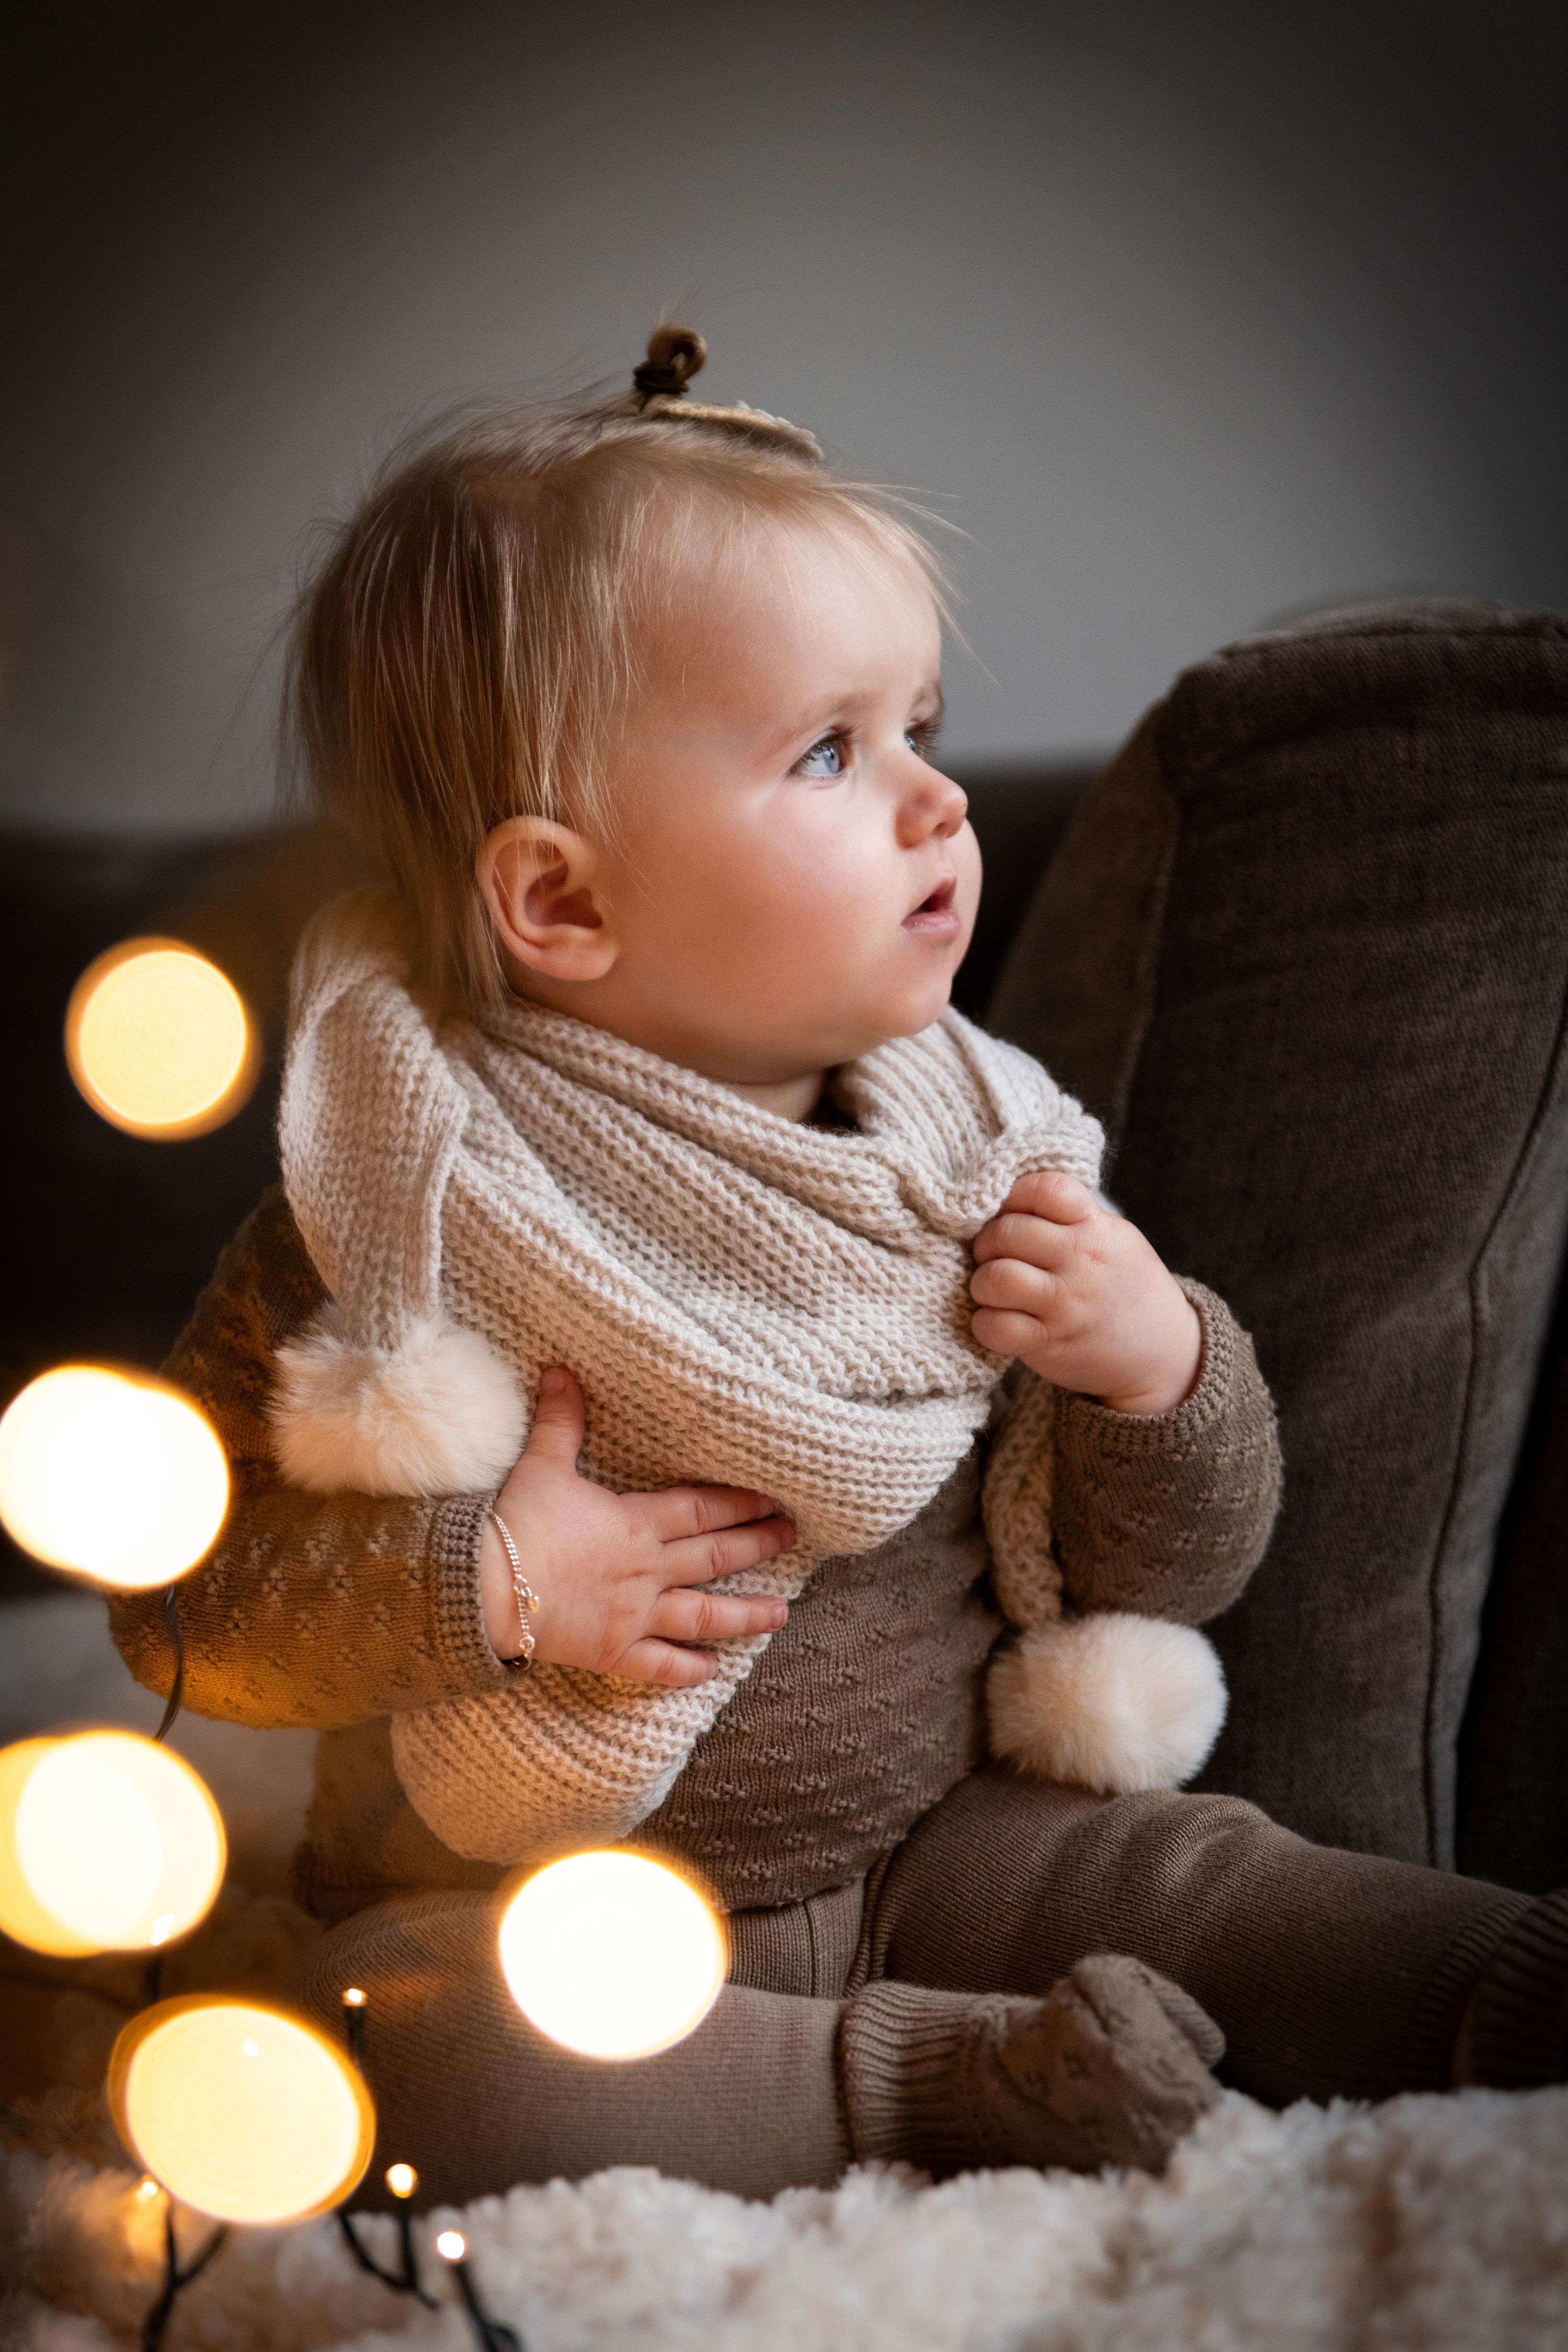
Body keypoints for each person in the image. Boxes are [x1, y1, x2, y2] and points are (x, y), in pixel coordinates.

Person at [111, 330, 1568, 2208]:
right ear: (559, 899)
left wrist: (1156, 1369)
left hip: (948, 1840)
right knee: (386, 2039)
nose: (936, 801)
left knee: (1203, 1867)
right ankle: (936, 2081)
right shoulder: (387, 1195)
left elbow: (1166, 1569)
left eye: (923, 731)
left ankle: (1506, 1980)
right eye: (827, 750)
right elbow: (183, 1603)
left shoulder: (978, 1158)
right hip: (544, 1919)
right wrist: (492, 1582)